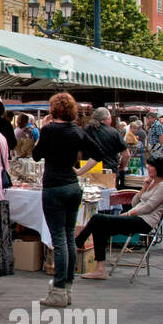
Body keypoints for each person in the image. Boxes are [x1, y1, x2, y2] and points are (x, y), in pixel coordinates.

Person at [34, 92, 97, 308]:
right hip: (72, 185)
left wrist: (42, 129)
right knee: (69, 237)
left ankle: (59, 290)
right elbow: (97, 153)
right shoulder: (77, 131)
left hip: (53, 186)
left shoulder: (49, 130)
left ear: (53, 109)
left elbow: (36, 155)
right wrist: (80, 172)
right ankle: (67, 286)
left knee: (59, 239)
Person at [75, 157, 163, 279]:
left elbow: (149, 207)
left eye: (151, 166)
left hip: (145, 222)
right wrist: (144, 188)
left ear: (159, 168)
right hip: (136, 217)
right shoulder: (152, 182)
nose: (148, 168)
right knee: (100, 227)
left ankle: (78, 243)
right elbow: (134, 202)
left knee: (97, 219)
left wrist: (128, 214)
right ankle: (100, 269)